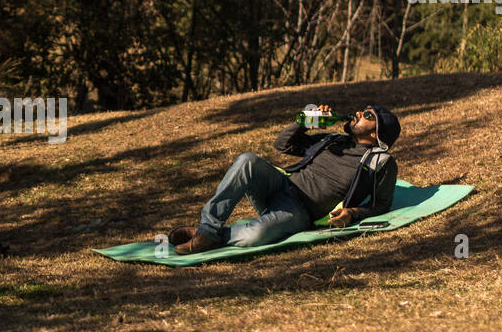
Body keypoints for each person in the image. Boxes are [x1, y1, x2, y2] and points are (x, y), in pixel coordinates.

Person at [168, 104, 401, 255]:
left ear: (376, 133)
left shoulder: (381, 162)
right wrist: (305, 123)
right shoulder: (334, 139)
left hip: (300, 211)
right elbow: (282, 145)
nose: (359, 113)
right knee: (247, 160)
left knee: (254, 236)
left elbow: (381, 204)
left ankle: (206, 237)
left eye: (368, 115)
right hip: (281, 185)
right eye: (362, 110)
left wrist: (354, 213)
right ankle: (208, 229)